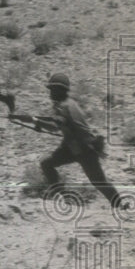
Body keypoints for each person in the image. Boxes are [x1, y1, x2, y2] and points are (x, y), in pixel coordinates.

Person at [38, 73, 123, 208]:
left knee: (99, 182)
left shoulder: (66, 106)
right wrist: (40, 123)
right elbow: (59, 125)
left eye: (53, 89)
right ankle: (65, 199)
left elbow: (65, 127)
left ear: (61, 90)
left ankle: (120, 206)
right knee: (46, 164)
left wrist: (38, 123)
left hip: (84, 149)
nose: (50, 93)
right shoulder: (64, 104)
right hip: (70, 147)